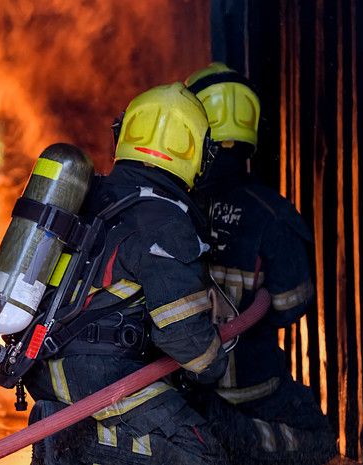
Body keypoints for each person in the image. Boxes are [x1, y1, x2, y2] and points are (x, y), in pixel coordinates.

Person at [23, 83, 230, 465]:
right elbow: (185, 338)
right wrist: (214, 365)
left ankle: (65, 430)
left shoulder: (93, 194)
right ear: (197, 152)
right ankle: (74, 442)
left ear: (123, 135)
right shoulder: (166, 222)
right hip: (101, 375)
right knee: (202, 454)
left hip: (44, 365)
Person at [185, 62, 338, 465]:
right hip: (255, 389)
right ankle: (240, 439)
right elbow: (291, 305)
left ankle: (215, 436)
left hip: (184, 389)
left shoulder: (172, 209)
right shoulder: (272, 213)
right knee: (321, 441)